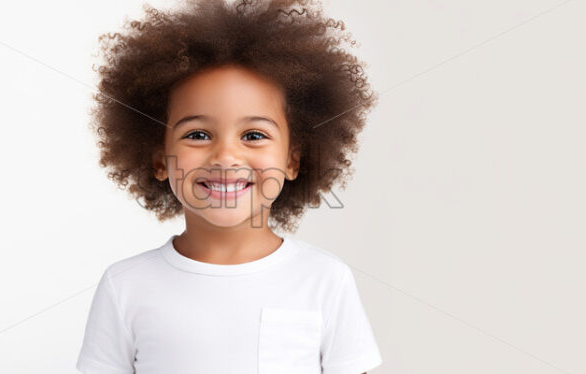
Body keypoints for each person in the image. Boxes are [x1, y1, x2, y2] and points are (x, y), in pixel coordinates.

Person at [77, 0, 382, 372]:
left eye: (253, 134)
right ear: (159, 159)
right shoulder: (124, 286)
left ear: (292, 160)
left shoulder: (325, 281)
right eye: (198, 134)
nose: (225, 156)